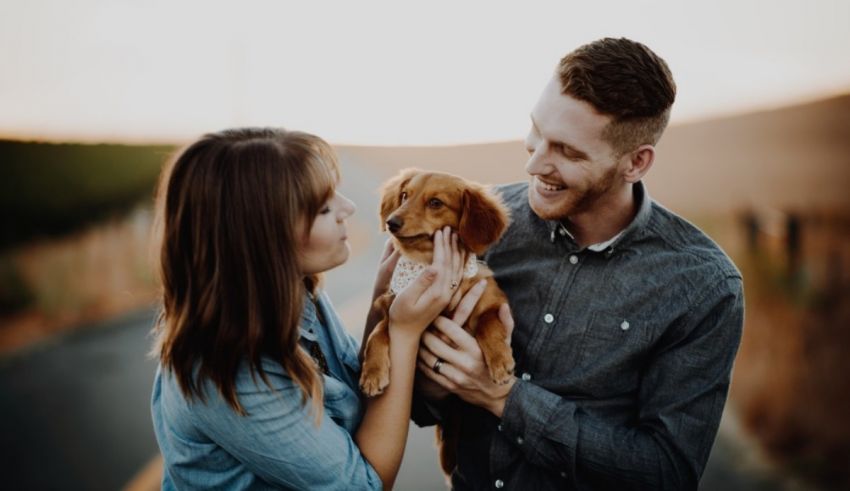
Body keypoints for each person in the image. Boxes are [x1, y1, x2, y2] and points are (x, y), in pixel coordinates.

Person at [412, 37, 745, 490]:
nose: (534, 164)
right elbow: (412, 402)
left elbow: (666, 472)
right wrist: (429, 378)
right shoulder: (481, 225)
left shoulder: (703, 285)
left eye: (567, 152)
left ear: (636, 163)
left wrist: (504, 398)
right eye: (536, 132)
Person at [150, 127, 476, 490]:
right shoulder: (228, 372)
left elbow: (362, 391)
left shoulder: (298, 295)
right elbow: (364, 486)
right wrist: (403, 332)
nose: (348, 208)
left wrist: (382, 309)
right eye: (323, 207)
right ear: (265, 236)